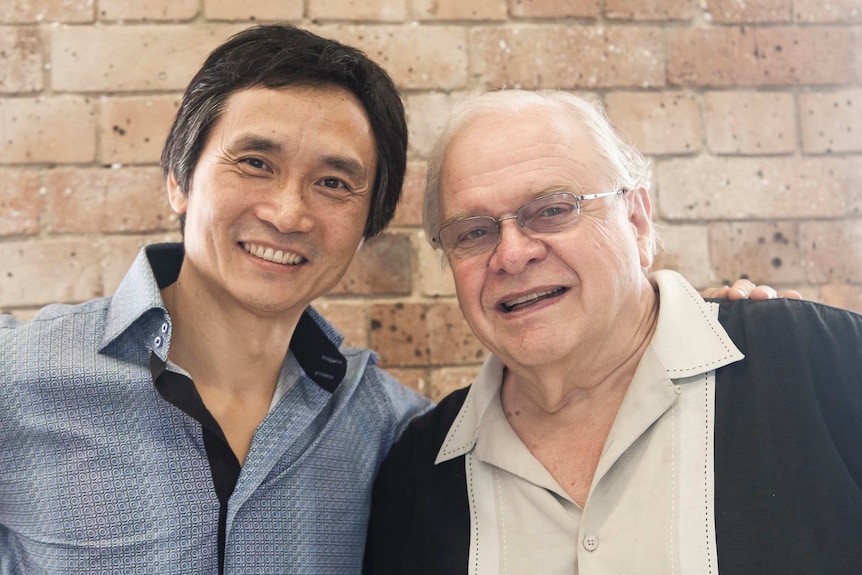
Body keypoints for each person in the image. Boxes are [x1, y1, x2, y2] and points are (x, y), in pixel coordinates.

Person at [364, 90, 862, 574]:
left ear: (637, 222)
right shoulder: (418, 474)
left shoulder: (820, 363)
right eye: (474, 232)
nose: (512, 255)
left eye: (553, 209)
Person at [0, 24, 433, 575]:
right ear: (179, 181)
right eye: (255, 163)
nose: (287, 215)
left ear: (367, 227)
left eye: (332, 183)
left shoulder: (389, 430)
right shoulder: (18, 378)